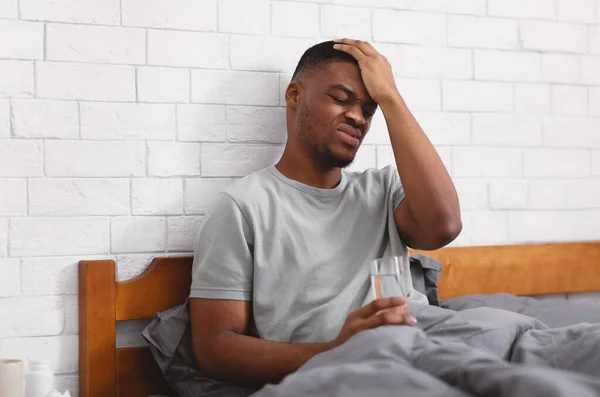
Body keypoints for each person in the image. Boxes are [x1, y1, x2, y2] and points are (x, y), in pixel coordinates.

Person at [188, 39, 462, 389]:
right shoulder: (244, 206)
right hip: (352, 375)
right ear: (294, 95)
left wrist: (391, 98)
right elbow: (215, 349)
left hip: (426, 345)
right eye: (340, 98)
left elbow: (444, 226)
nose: (357, 117)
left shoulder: (384, 190)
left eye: (368, 109)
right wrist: (335, 351)